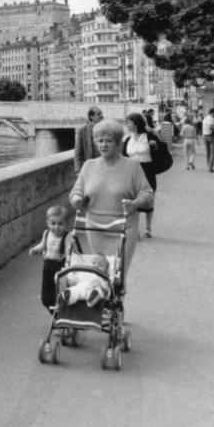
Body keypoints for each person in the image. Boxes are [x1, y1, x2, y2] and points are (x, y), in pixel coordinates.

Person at [69, 118, 154, 293]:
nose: (104, 145)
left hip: (123, 228)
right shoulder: (89, 166)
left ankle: (117, 309)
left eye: (109, 141)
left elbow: (147, 194)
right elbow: (75, 191)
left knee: (118, 274)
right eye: (100, 141)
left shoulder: (132, 166)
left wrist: (134, 203)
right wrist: (77, 199)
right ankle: (101, 310)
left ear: (118, 143)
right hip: (95, 228)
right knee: (99, 272)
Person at [28, 204, 76, 311]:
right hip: (48, 266)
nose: (56, 227)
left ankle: (60, 311)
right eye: (53, 223)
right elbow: (43, 245)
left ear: (66, 224)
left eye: (60, 224)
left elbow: (69, 251)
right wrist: (36, 250)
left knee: (59, 290)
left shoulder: (68, 236)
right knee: (46, 290)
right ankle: (51, 306)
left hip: (61, 266)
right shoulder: (46, 234)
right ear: (48, 223)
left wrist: (69, 262)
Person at [122, 111, 159, 239]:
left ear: (136, 123)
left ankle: (148, 228)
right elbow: (123, 156)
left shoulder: (148, 136)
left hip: (147, 170)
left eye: (129, 122)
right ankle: (135, 230)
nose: (127, 125)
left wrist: (155, 146)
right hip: (132, 171)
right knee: (133, 200)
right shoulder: (127, 139)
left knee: (148, 198)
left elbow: (161, 148)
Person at [73, 106, 103, 173]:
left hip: (104, 167)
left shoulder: (106, 129)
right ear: (92, 117)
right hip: (90, 169)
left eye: (101, 114)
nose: (102, 116)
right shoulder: (82, 131)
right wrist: (78, 170)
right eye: (99, 114)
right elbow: (78, 152)